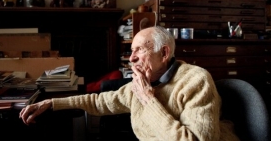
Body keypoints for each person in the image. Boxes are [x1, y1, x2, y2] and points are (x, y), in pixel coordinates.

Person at [20, 26, 239, 141]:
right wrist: (52, 103)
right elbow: (99, 102)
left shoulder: (195, 80)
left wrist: (148, 99)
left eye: (139, 50)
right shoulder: (142, 84)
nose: (131, 58)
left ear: (164, 53)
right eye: (130, 51)